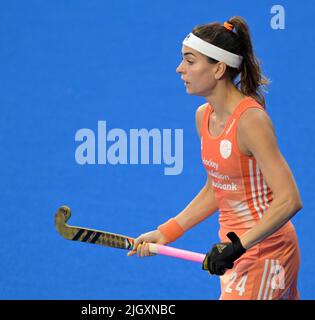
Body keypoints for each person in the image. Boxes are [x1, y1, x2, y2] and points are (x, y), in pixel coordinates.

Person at [127, 16, 302, 300]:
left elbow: (289, 199)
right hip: (236, 250)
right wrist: (167, 231)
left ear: (219, 68)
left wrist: (237, 247)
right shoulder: (204, 116)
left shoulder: (250, 121)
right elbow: (217, 189)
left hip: (265, 251)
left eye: (190, 61)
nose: (179, 69)